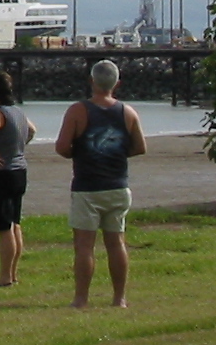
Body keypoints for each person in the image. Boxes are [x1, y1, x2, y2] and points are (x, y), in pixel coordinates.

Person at [55, 59, 147, 308]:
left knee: (84, 245)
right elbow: (140, 147)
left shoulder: (78, 111)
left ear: (91, 81)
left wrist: (82, 153)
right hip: (117, 185)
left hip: (88, 186)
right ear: (117, 84)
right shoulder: (128, 112)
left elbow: (62, 147)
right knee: (116, 242)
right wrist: (115, 153)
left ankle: (81, 299)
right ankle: (119, 298)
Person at [0, 71, 36, 288]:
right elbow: (32, 130)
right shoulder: (18, 112)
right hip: (19, 171)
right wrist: (19, 146)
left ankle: (4, 277)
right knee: (14, 223)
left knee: (4, 227)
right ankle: (13, 273)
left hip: (1, 173)